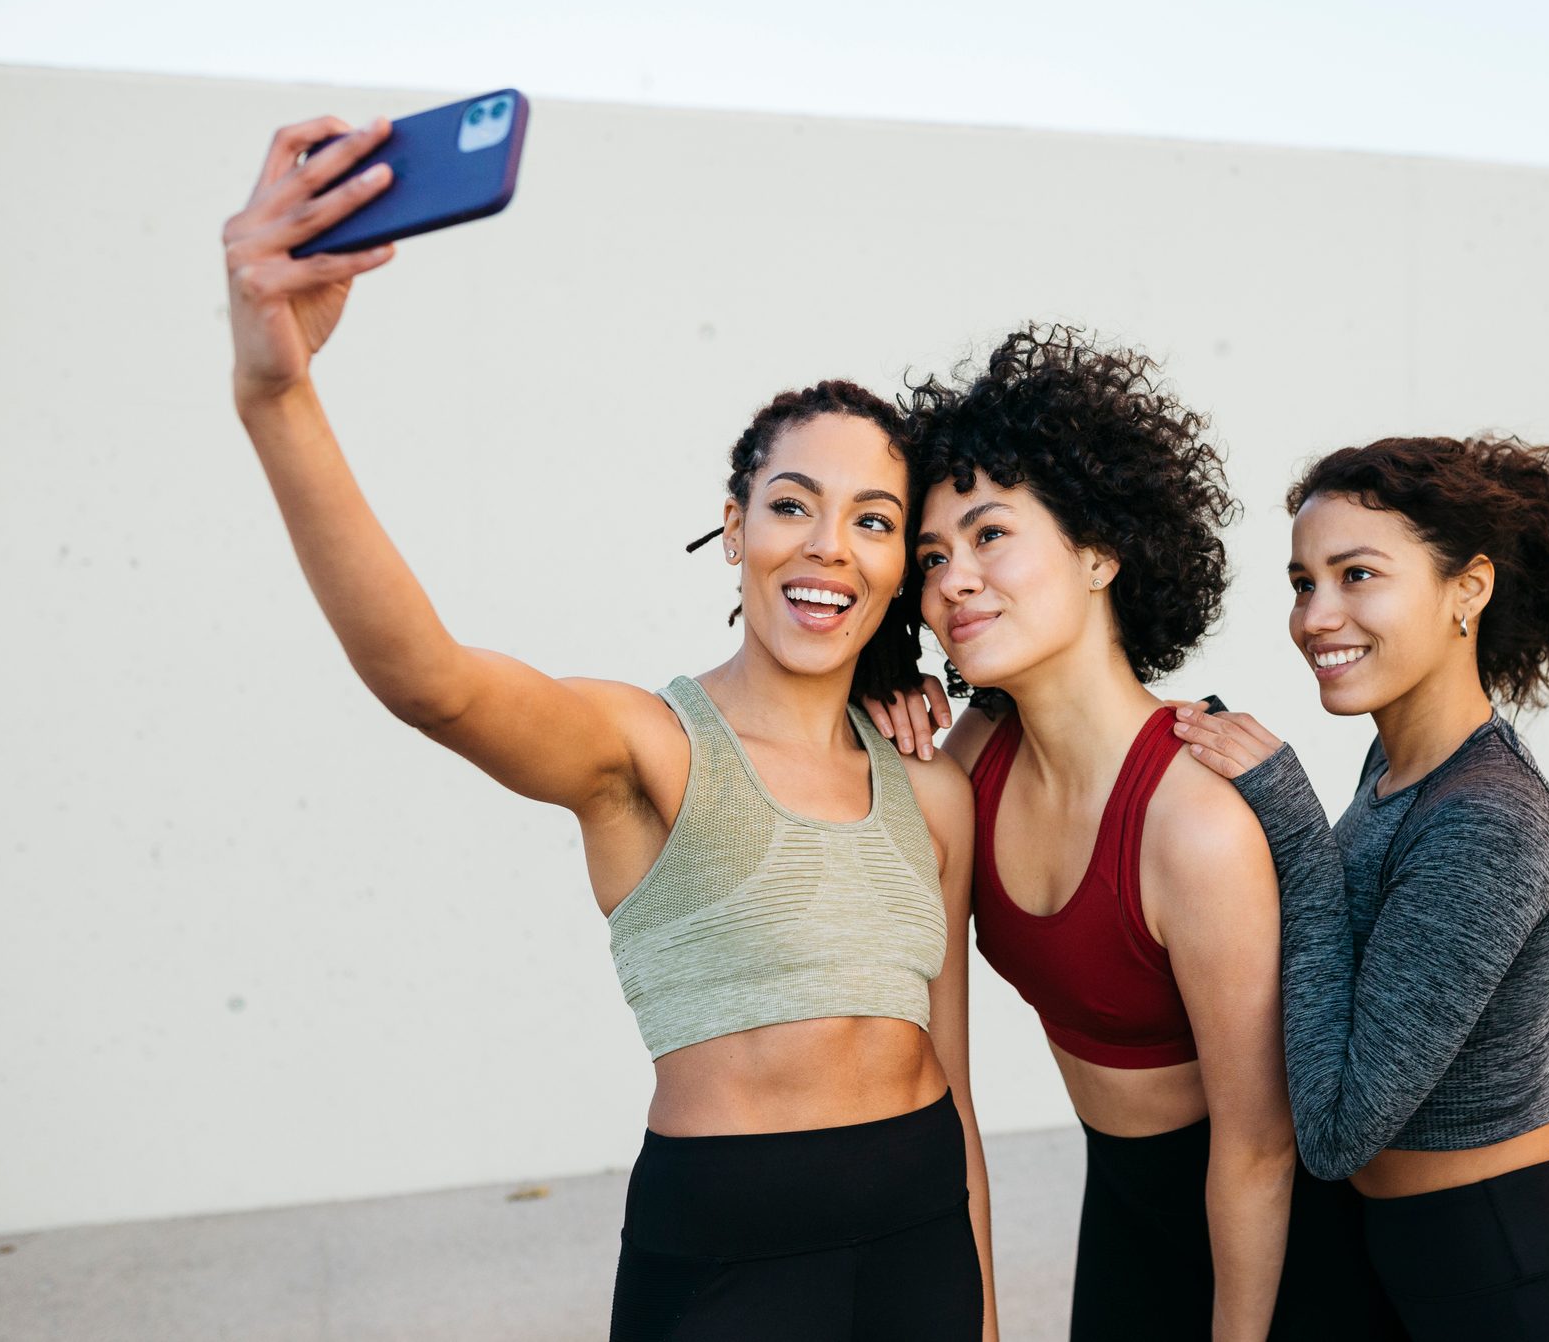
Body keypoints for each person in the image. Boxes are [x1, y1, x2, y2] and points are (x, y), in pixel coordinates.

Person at [221, 114, 996, 1342]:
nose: (827, 548)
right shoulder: (647, 749)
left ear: (902, 565)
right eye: (791, 505)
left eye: (872, 520)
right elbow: (432, 679)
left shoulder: (930, 788)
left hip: (919, 1246)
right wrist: (278, 391)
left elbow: (953, 1089)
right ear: (734, 529)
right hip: (730, 1258)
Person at [870, 326, 1400, 1341]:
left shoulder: (1191, 820)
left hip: (1271, 1247)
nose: (952, 580)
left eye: (990, 536)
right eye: (931, 556)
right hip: (1118, 1212)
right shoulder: (972, 761)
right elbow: (948, 1099)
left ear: (1101, 550)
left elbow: (1259, 1147)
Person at [1171, 435, 1549, 1340]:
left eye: (1356, 575)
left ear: (1469, 588)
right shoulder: (1396, 768)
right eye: (1302, 583)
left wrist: (1289, 824)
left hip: (1523, 1274)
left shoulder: (1490, 818)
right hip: (1422, 1258)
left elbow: (1338, 1130)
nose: (1315, 616)